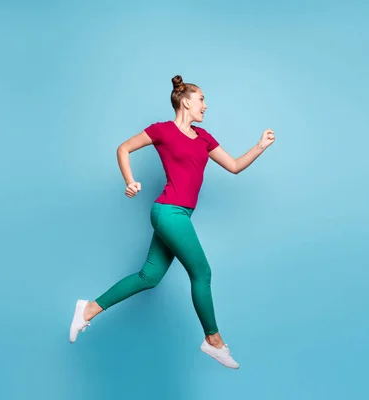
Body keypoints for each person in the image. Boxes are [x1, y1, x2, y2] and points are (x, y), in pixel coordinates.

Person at [69, 75, 275, 369]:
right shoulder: (162, 131)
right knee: (202, 273)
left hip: (180, 214)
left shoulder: (204, 138)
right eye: (201, 99)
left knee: (148, 277)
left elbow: (234, 166)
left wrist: (260, 145)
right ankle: (213, 340)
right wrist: (130, 181)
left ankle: (88, 309)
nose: (205, 105)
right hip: (168, 211)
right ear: (186, 101)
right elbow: (123, 148)